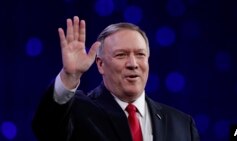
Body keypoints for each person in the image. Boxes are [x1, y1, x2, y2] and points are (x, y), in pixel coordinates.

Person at [32, 16, 200, 141]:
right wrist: (70, 76)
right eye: (121, 55)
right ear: (100, 64)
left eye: (140, 55)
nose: (133, 64)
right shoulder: (77, 111)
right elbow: (46, 129)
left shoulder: (182, 124)